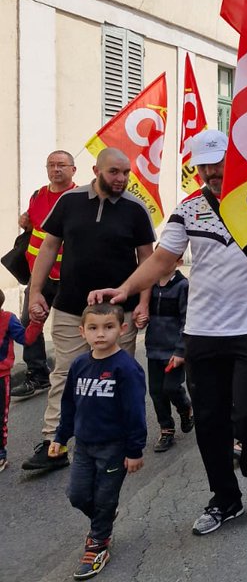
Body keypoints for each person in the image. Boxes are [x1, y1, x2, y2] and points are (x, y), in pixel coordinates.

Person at [90, 130, 247, 535]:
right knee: (209, 419)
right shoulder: (188, 208)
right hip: (203, 331)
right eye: (204, 166)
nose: (211, 172)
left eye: (218, 163)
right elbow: (162, 260)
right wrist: (125, 289)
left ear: (234, 160)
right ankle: (225, 498)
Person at [23, 148, 155, 474]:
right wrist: (35, 292)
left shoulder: (136, 208)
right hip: (71, 307)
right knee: (65, 374)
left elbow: (148, 259)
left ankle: (119, 441)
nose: (121, 179)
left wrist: (143, 302)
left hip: (117, 313)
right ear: (96, 170)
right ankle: (54, 443)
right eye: (114, 172)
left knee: (115, 377)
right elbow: (48, 247)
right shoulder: (68, 202)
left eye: (126, 172)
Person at [49, 303, 146, 579]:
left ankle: (98, 543)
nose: (100, 334)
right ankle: (104, 516)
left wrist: (135, 450)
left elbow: (135, 411)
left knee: (104, 496)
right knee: (77, 494)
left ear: (122, 329)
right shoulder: (79, 364)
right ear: (82, 331)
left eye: (108, 327)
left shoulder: (126, 368)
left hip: (114, 447)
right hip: (84, 445)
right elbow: (69, 404)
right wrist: (60, 436)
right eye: (93, 328)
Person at [12, 151, 78, 401]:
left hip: (69, 277)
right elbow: (35, 226)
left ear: (73, 169)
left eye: (61, 165)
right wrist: (25, 222)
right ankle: (38, 374)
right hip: (39, 276)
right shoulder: (38, 194)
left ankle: (77, 372)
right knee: (29, 321)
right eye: (51, 165)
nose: (56, 169)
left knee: (72, 327)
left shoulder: (79, 198)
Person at [146, 267, 193, 452]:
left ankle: (185, 408)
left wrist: (181, 350)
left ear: (178, 260)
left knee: (171, 387)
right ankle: (166, 429)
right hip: (154, 348)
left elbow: (187, 319)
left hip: (173, 351)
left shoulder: (182, 286)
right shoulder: (150, 286)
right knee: (156, 392)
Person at [0, 293, 44, 472]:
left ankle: (0, 454)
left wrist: (36, 322)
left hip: (1, 377)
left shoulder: (7, 319)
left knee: (0, 417)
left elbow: (26, 338)